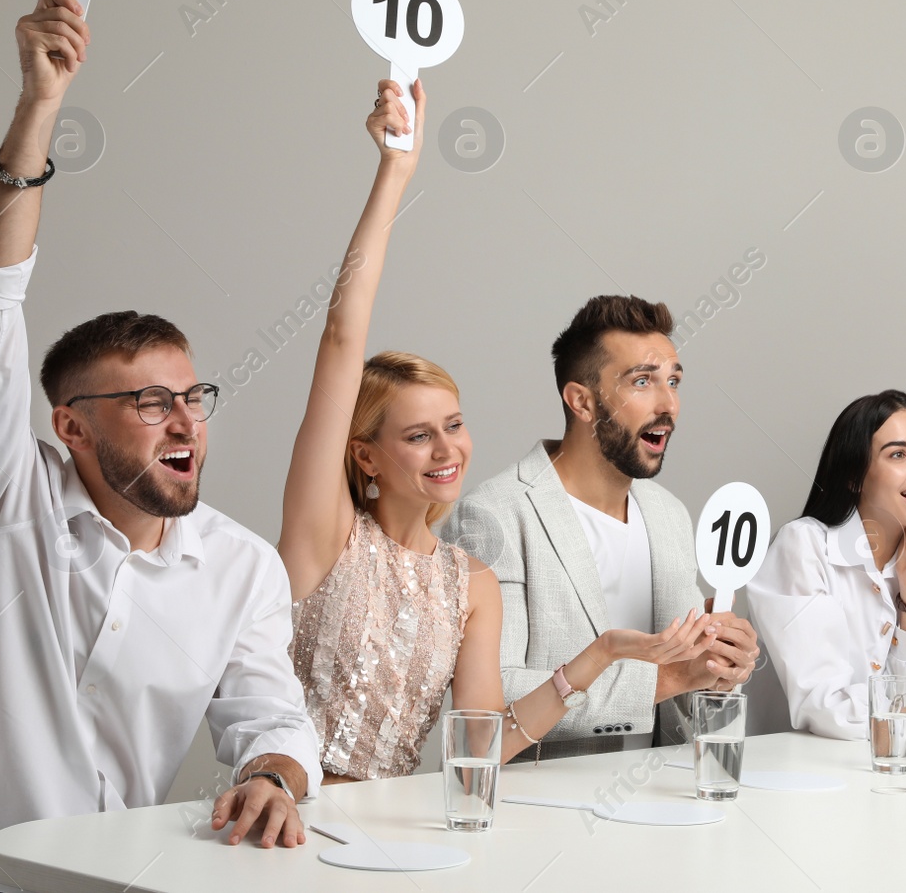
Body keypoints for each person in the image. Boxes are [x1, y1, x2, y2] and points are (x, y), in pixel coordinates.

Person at [0, 0, 321, 893]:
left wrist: (275, 775)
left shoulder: (240, 569)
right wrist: (39, 109)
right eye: (150, 403)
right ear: (69, 425)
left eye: (193, 397)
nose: (187, 420)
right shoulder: (0, 499)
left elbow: (270, 713)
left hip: (97, 880)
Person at [278, 85, 714, 776]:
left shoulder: (466, 581)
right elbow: (340, 338)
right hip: (285, 816)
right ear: (363, 455)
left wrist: (599, 656)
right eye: (418, 436)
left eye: (453, 425)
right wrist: (394, 174)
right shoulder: (324, 538)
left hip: (387, 837)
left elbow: (482, 745)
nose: (448, 449)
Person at [442, 296, 760, 759]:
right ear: (582, 401)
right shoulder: (493, 516)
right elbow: (495, 703)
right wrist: (670, 678)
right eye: (643, 382)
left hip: (661, 800)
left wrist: (717, 667)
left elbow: (685, 705)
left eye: (673, 381)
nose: (668, 403)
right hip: (539, 811)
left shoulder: (669, 515)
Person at [749, 391, 906, 749]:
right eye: (899, 454)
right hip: (803, 771)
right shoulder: (803, 547)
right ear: (855, 476)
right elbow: (824, 707)